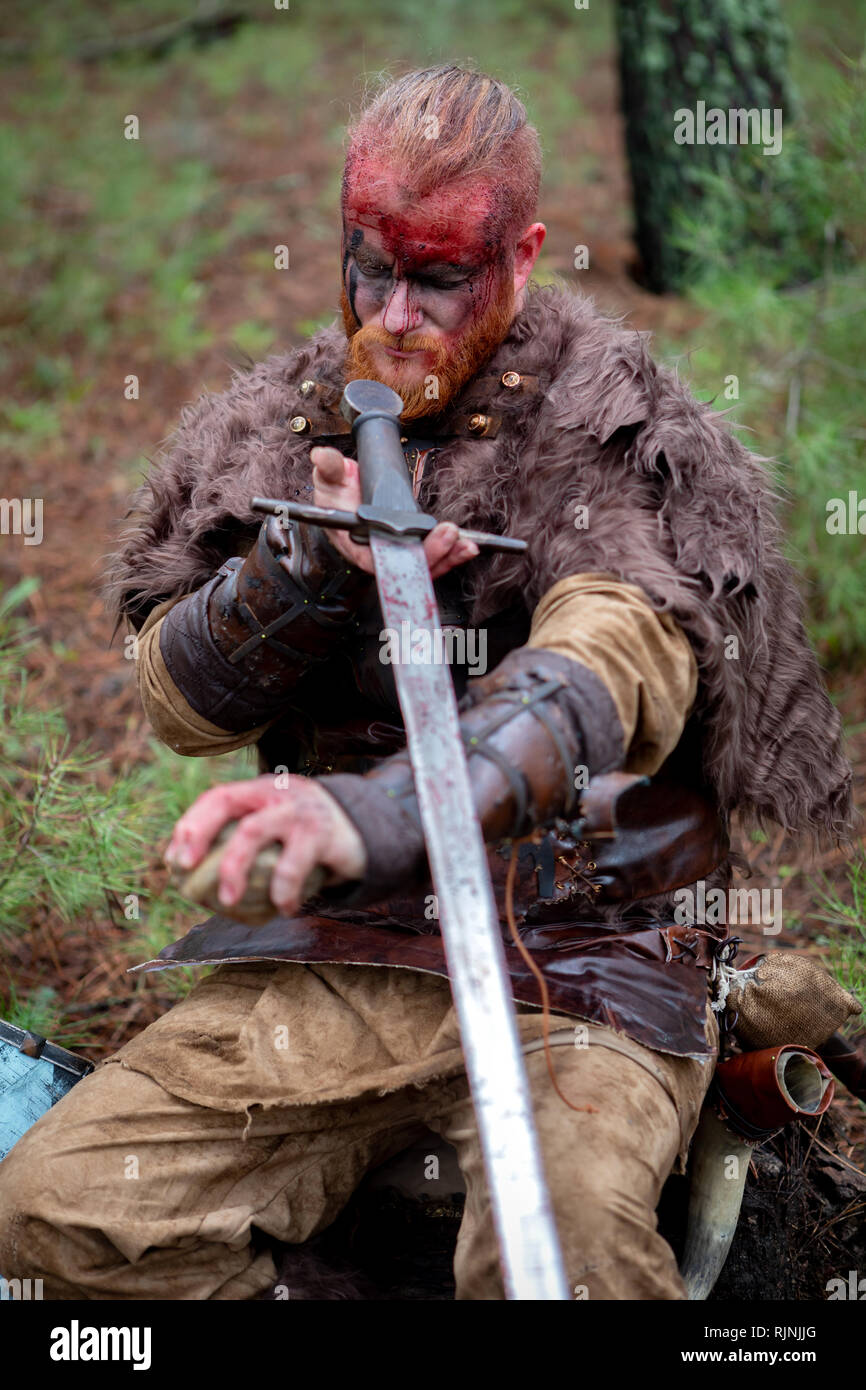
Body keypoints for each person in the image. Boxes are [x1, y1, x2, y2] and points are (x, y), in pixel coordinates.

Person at [0, 64, 851, 1301]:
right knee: (54, 1215)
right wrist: (296, 571)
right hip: (339, 959)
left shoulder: (620, 428)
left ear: (520, 257)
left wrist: (377, 812)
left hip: (581, 966)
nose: (394, 314)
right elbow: (171, 705)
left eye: (439, 279)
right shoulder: (270, 431)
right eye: (368, 268)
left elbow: (612, 657)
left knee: (553, 1258)